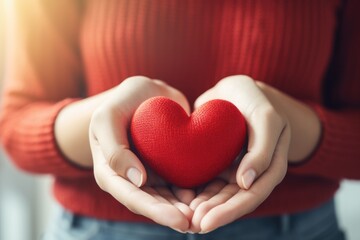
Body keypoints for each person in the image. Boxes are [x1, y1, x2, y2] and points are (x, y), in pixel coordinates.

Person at [0, 0, 359, 239]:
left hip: (298, 230)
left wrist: (287, 121)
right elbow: (17, 125)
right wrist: (102, 119)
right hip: (98, 230)